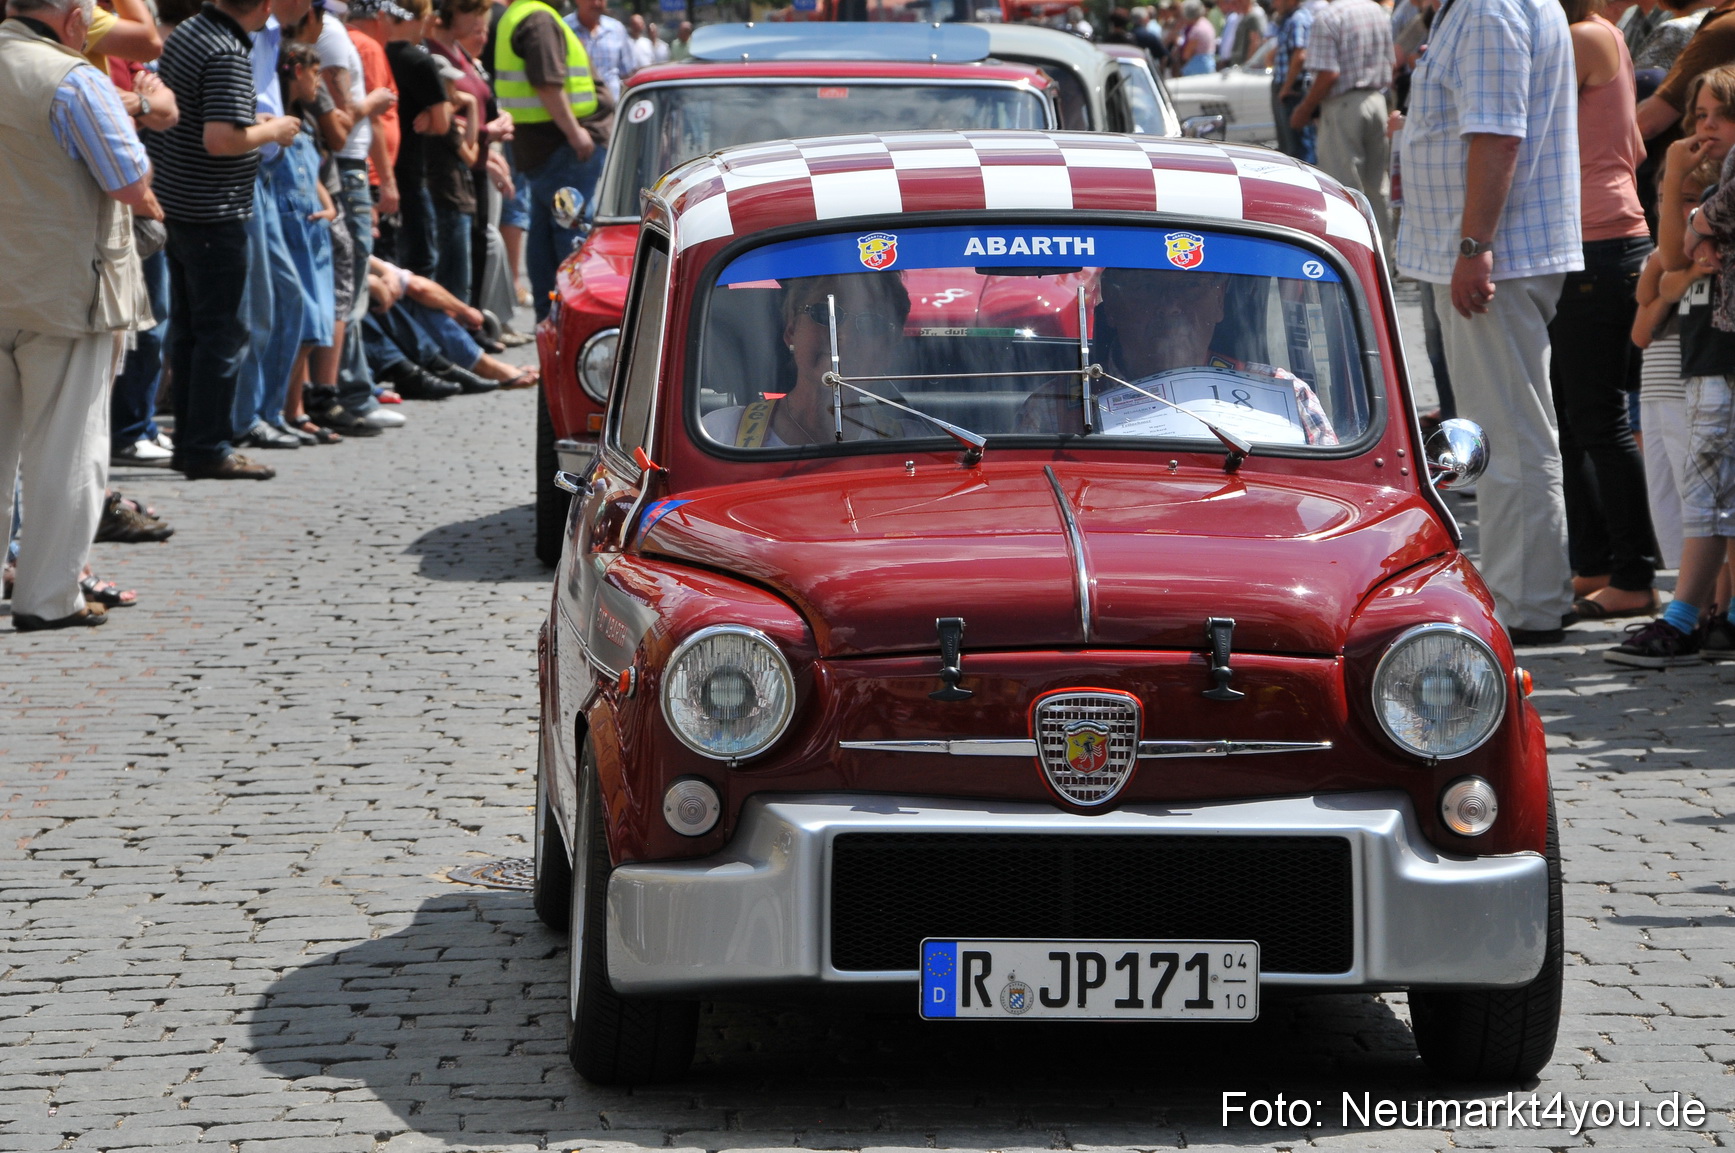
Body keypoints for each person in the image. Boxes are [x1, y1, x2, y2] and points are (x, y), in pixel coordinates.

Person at [1396, 0, 1582, 645]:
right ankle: (1530, 590)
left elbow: (1499, 133)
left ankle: (1525, 601)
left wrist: (1474, 247)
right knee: (1510, 428)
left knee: (1505, 434)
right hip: (1488, 252)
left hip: (1492, 255)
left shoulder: (1488, 7)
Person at [1, 0, 157, 629]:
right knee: (67, 446)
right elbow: (127, 178)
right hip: (62, 290)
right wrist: (140, 110)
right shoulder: (73, 79)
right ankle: (47, 597)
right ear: (72, 20)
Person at [1611, 67, 1735, 664]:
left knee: (1710, 496)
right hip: (1691, 371)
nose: (1707, 126)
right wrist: (1683, 204)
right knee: (1698, 497)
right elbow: (1664, 265)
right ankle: (1704, 614)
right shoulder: (1707, 191)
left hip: (1716, 361)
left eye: (1721, 115)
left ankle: (1697, 615)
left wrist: (1694, 220)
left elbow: (1685, 240)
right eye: (1700, 115)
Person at [150, 0, 301, 480]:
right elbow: (221, 139)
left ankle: (193, 444)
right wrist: (273, 128)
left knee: (193, 330)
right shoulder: (227, 51)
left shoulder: (191, 30)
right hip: (211, 209)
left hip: (179, 201)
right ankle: (207, 447)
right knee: (220, 332)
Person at [1549, 0, 1659, 620]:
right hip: (1592, 242)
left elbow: (1527, 113)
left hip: (1598, 244)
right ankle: (1594, 565)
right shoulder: (1604, 35)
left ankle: (1634, 574)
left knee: (1599, 420)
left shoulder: (1582, 37)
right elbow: (1636, 147)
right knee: (1574, 421)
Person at [1018, 268, 1337, 444]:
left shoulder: (1283, 394)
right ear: (1112, 303)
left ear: (1218, 302)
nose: (1170, 306)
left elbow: (1326, 492)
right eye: (1147, 287)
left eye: (1190, 286)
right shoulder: (1054, 409)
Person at [494, 0, 607, 323]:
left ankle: (552, 318)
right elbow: (546, 82)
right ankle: (572, 318)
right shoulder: (538, 18)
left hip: (545, 147)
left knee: (545, 229)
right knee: (570, 232)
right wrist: (575, 133)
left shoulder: (520, 14)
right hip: (562, 147)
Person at [703, 274, 911, 448]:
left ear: (888, 350)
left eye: (872, 323)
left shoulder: (913, 444)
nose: (843, 335)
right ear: (792, 330)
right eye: (824, 313)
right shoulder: (719, 435)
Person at [1289, 0, 1393, 246]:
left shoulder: (1329, 17)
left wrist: (1304, 109)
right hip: (1376, 100)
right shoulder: (1375, 10)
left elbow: (1328, 74)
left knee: (1344, 189)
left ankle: (1353, 260)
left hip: (1344, 105)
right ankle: (1384, 264)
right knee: (1378, 188)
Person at [385, 0, 452, 278]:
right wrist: (431, 108)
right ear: (416, 18)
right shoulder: (420, 61)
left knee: (390, 258)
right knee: (421, 259)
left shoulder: (380, 51)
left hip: (382, 170)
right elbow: (442, 124)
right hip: (410, 174)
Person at [1272, 0, 1320, 162]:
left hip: (1294, 90)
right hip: (1290, 87)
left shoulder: (1298, 19)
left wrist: (1286, 87)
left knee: (1298, 149)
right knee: (1290, 146)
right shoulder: (1290, 19)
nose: (1274, 3)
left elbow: (1300, 56)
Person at [564, 0, 632, 100]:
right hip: (579, 109)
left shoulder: (616, 29)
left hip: (612, 108)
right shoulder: (563, 28)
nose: (596, 4)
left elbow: (627, 74)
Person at [1176, 0, 1217, 73]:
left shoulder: (1197, 30)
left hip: (1198, 69)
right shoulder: (1206, 23)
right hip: (1208, 65)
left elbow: (1186, 55)